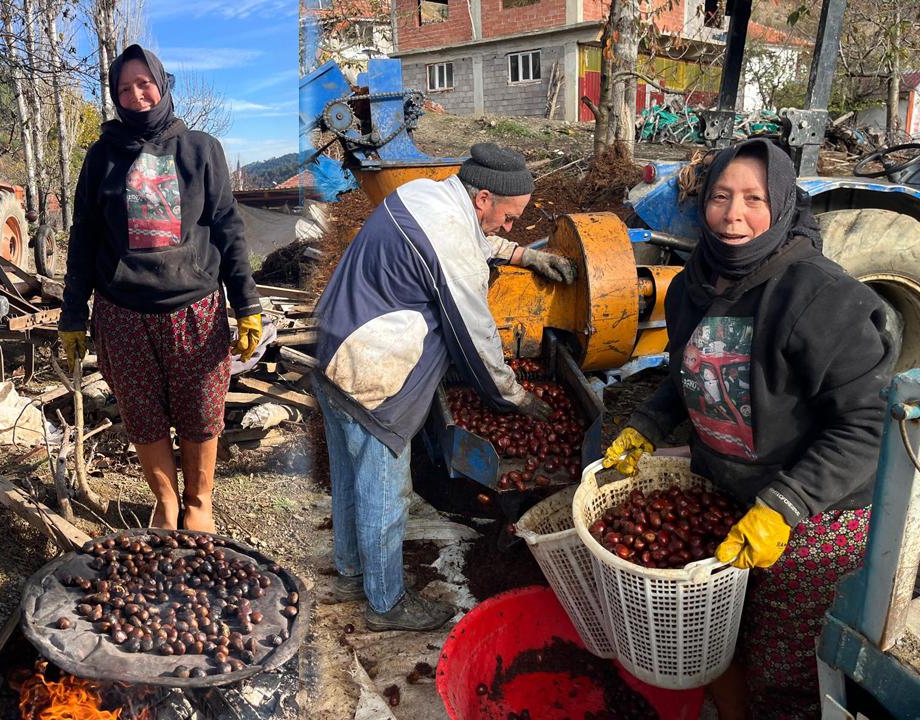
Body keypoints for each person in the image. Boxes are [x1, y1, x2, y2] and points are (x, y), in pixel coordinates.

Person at [602, 139, 892, 718]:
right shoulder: (691, 285)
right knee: (720, 642)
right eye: (720, 197)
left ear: (782, 204)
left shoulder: (823, 296)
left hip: (814, 514)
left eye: (754, 198)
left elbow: (868, 423)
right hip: (728, 495)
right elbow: (688, 372)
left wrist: (787, 503)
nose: (733, 215)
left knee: (784, 663)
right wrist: (647, 424)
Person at [313, 144, 577, 632]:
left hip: (334, 344)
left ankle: (352, 574)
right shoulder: (453, 238)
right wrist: (514, 396)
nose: (511, 227)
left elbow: (465, 240)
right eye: (511, 218)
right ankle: (386, 605)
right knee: (385, 493)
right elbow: (477, 337)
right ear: (482, 199)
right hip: (370, 368)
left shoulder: (424, 194)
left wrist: (523, 256)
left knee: (349, 478)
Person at [56, 44, 262, 534]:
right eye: (124, 89)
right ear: (114, 96)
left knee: (200, 413)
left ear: (162, 84)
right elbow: (83, 237)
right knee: (143, 417)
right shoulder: (102, 157)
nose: (137, 95)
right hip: (122, 314)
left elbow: (228, 229)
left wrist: (247, 304)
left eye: (144, 83)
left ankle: (199, 503)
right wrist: (72, 314)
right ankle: (167, 503)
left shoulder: (200, 150)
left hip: (194, 310)